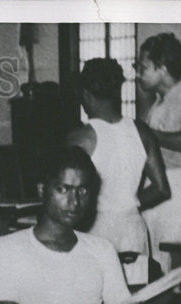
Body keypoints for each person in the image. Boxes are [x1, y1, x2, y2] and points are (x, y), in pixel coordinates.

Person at [0, 147, 131, 304]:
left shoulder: (102, 249)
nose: (75, 201)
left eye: (83, 190)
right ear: (42, 190)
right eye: (63, 189)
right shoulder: (7, 249)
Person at [67, 58, 170, 260]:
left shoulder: (79, 138)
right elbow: (161, 188)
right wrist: (127, 203)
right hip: (133, 227)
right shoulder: (142, 132)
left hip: (96, 229)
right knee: (137, 288)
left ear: (85, 95)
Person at [135, 32, 181, 273]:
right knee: (156, 262)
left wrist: (147, 134)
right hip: (160, 186)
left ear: (162, 67)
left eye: (142, 67)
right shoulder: (161, 101)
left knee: (176, 270)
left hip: (179, 188)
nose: (138, 73)